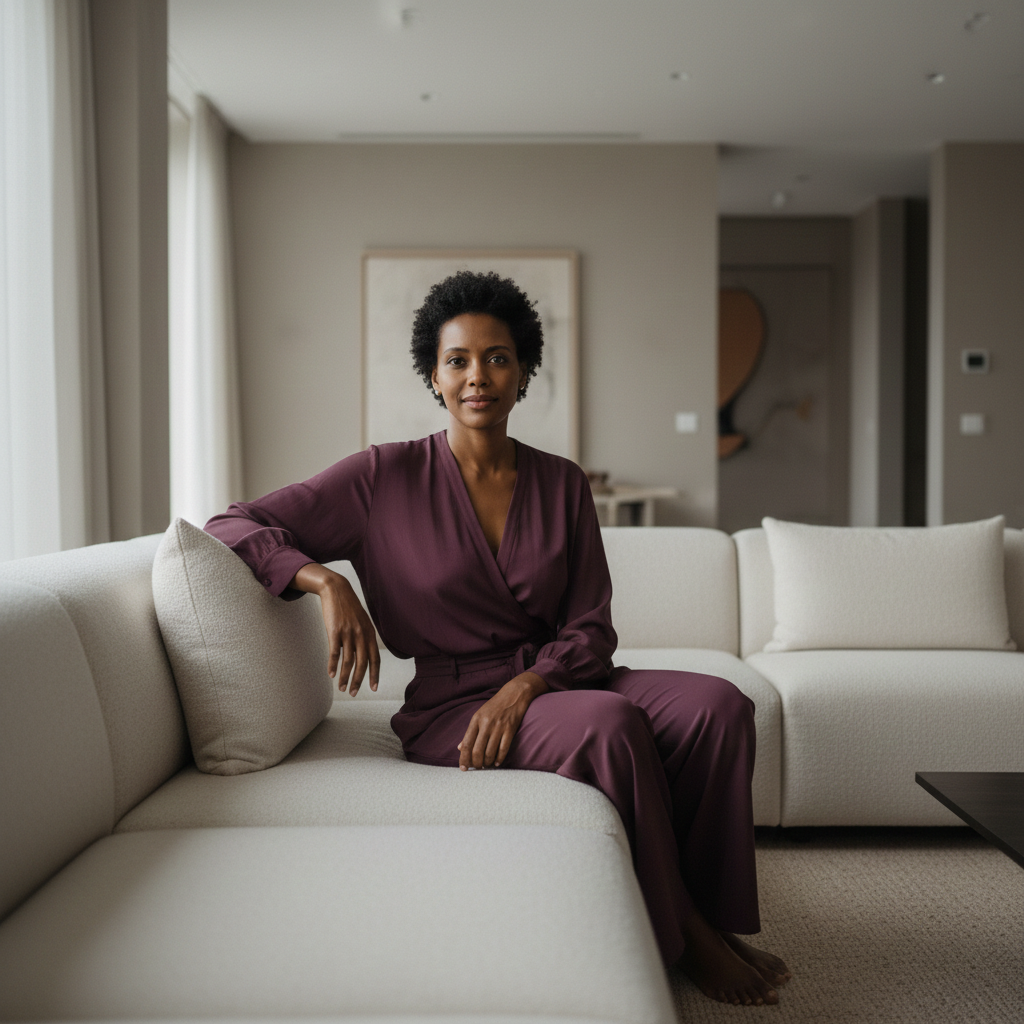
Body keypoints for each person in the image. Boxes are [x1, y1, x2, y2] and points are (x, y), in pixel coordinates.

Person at [205, 271, 791, 1006]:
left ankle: (709, 909)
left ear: (523, 373)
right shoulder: (380, 477)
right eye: (458, 361)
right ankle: (684, 938)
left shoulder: (564, 483)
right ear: (434, 375)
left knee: (721, 705)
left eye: (497, 358)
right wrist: (326, 582)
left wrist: (525, 687)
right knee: (609, 726)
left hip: (554, 680)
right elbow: (231, 523)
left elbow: (591, 626)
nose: (477, 377)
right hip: (451, 705)